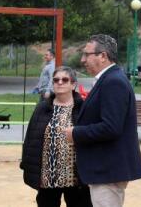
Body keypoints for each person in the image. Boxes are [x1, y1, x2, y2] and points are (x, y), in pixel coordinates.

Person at [64, 34, 141, 207]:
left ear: (103, 56)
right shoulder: (109, 79)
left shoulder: (113, 81)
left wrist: (76, 133)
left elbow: (111, 127)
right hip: (105, 168)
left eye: (87, 54)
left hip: (108, 170)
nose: (82, 59)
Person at [21, 66, 92, 207]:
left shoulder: (83, 108)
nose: (60, 82)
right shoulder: (42, 108)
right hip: (48, 175)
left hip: (76, 177)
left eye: (65, 80)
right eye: (56, 80)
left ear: (73, 84)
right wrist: (27, 164)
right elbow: (30, 138)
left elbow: (90, 139)